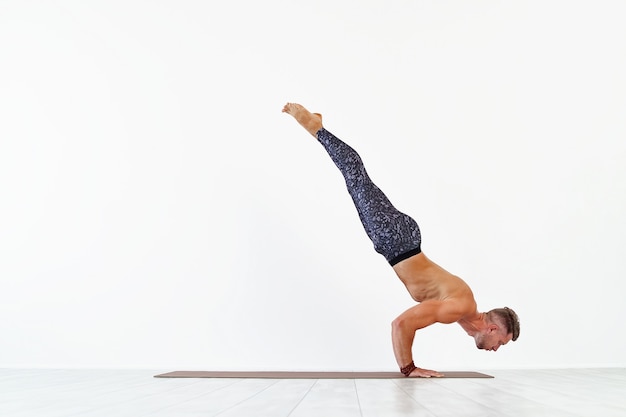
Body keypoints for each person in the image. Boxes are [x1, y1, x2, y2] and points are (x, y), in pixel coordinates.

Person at [282, 102, 520, 378]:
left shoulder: (465, 313)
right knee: (355, 176)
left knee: (356, 182)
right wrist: (409, 369)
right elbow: (401, 324)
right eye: (500, 342)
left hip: (397, 241)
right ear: (491, 329)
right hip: (396, 238)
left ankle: (320, 130)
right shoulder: (461, 307)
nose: (496, 348)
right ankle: (316, 127)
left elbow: (462, 322)